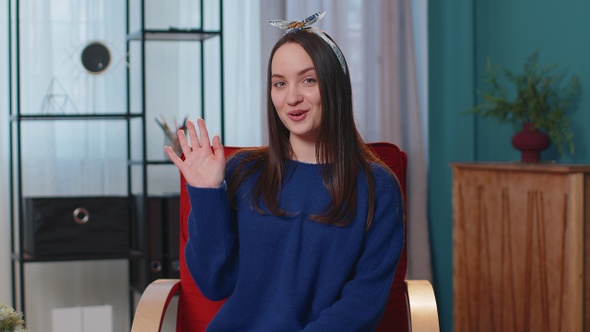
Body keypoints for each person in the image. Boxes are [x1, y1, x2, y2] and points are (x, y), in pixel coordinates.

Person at [166, 11, 405, 332]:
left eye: (308, 80)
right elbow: (213, 284)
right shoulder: (242, 173)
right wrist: (207, 193)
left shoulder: (378, 186)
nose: (292, 97)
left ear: (335, 86)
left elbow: (365, 300)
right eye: (280, 83)